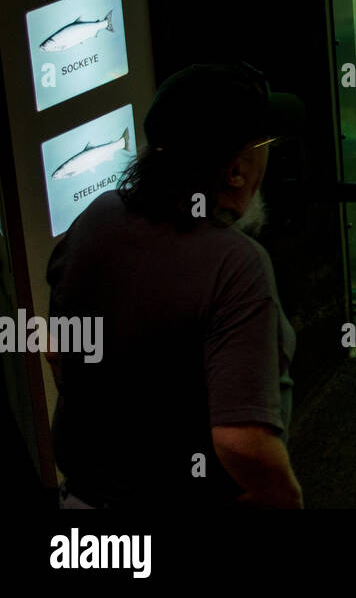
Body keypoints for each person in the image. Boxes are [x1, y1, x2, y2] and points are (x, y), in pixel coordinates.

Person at [46, 62, 303, 508]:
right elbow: (240, 441)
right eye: (262, 144)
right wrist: (285, 497)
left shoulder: (96, 218)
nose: (269, 155)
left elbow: (56, 349)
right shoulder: (236, 265)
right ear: (235, 173)